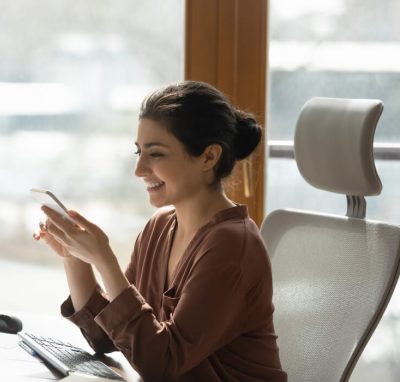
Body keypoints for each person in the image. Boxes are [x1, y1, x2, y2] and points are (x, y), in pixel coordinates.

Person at [33, 80, 287, 381]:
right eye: (138, 152)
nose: (139, 169)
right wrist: (74, 257)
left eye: (155, 154)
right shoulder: (160, 225)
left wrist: (105, 261)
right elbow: (111, 337)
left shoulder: (232, 245)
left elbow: (161, 364)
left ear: (208, 157)